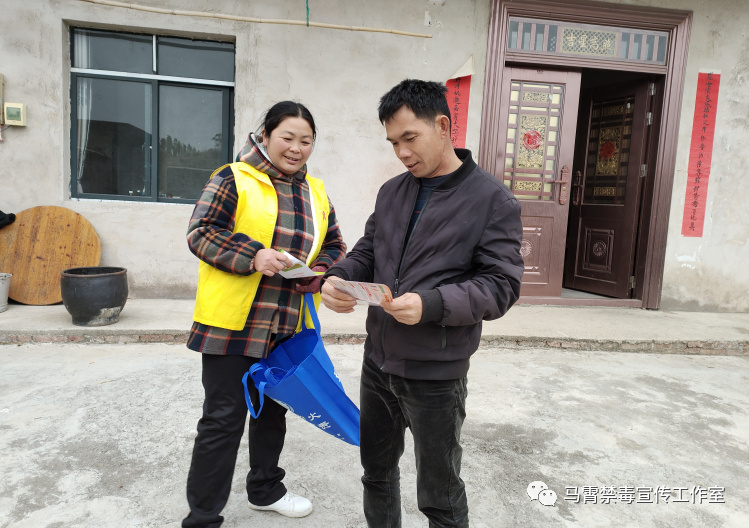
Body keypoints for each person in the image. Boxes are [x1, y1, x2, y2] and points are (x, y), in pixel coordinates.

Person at [320, 79, 524, 527]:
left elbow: (501, 285)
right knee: (376, 474)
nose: (402, 152)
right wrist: (340, 276)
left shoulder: (492, 201)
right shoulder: (392, 192)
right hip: (378, 362)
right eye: (393, 142)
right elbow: (368, 250)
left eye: (409, 138)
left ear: (443, 126)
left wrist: (431, 304)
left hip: (436, 374)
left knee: (440, 495)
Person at [182, 101, 346, 527]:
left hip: (288, 323)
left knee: (274, 411)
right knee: (223, 419)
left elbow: (334, 245)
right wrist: (253, 255)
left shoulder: (316, 192)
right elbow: (201, 232)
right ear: (266, 135)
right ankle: (203, 517)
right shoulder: (232, 177)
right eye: (287, 137)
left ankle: (265, 490)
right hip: (234, 323)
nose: (296, 148)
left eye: (306, 141)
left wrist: (320, 272)